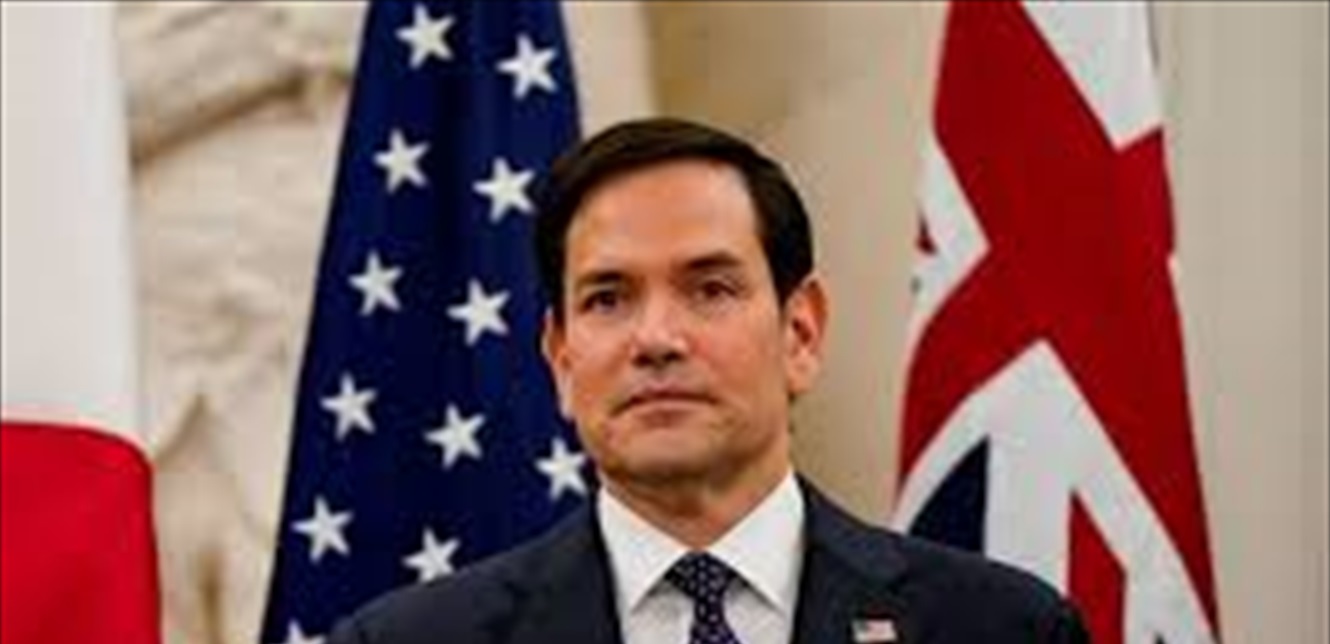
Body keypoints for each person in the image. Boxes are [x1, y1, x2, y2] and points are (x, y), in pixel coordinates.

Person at [328, 118, 1088, 644]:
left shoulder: (1001, 629)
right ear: (561, 359)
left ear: (800, 333)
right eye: (608, 299)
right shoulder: (403, 641)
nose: (656, 339)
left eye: (710, 289)